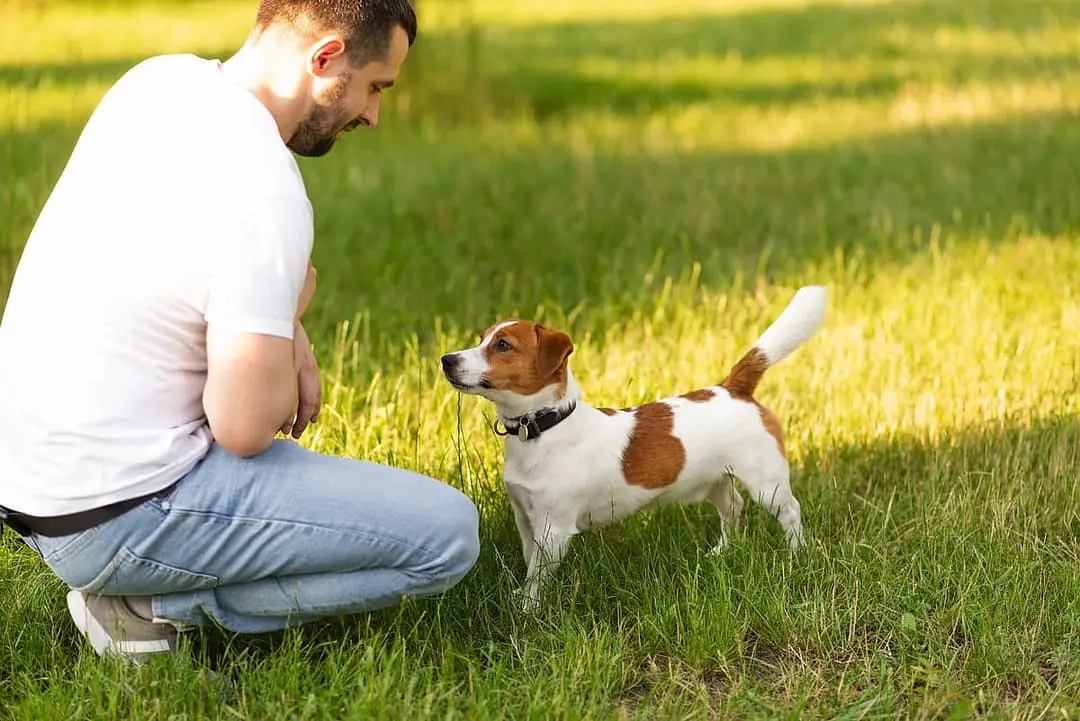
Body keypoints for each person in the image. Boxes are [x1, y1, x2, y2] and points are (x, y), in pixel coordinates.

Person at [0, 0, 480, 662]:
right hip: (119, 511)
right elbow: (246, 427)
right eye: (375, 86)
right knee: (448, 536)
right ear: (325, 58)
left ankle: (136, 581)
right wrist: (287, 321)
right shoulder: (267, 188)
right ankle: (145, 605)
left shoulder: (157, 82)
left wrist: (282, 314)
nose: (372, 114)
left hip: (30, 479)